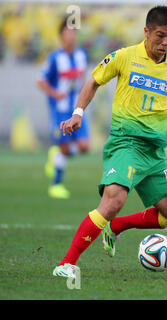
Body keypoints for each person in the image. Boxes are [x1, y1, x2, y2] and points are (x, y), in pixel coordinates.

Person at [52, 6, 167, 278]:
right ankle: (67, 264)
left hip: (155, 153)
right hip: (126, 144)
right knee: (113, 200)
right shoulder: (124, 57)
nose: (165, 42)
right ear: (146, 32)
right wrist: (77, 113)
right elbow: (93, 81)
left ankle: (117, 226)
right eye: (160, 36)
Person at [37, 17, 90, 199]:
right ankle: (56, 185)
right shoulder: (54, 58)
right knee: (65, 148)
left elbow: (83, 80)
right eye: (68, 32)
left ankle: (56, 155)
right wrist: (54, 93)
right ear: (61, 36)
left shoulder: (82, 55)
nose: (72, 36)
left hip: (77, 109)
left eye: (74, 32)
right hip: (60, 109)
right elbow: (41, 80)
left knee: (84, 147)